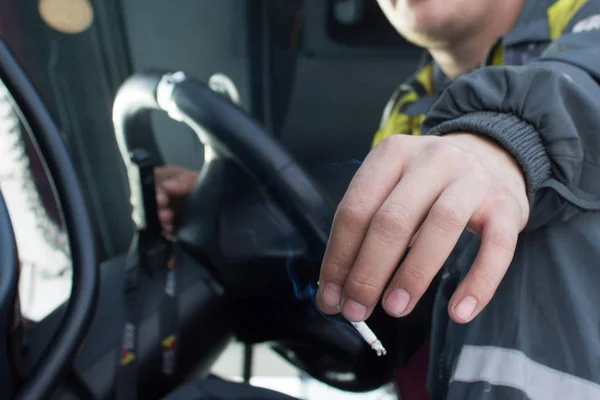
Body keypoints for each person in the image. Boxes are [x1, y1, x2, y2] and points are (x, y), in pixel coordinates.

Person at [157, 0, 600, 398]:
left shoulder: (579, 16)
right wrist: (225, 210)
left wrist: (506, 139)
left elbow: (586, 74)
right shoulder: (404, 114)